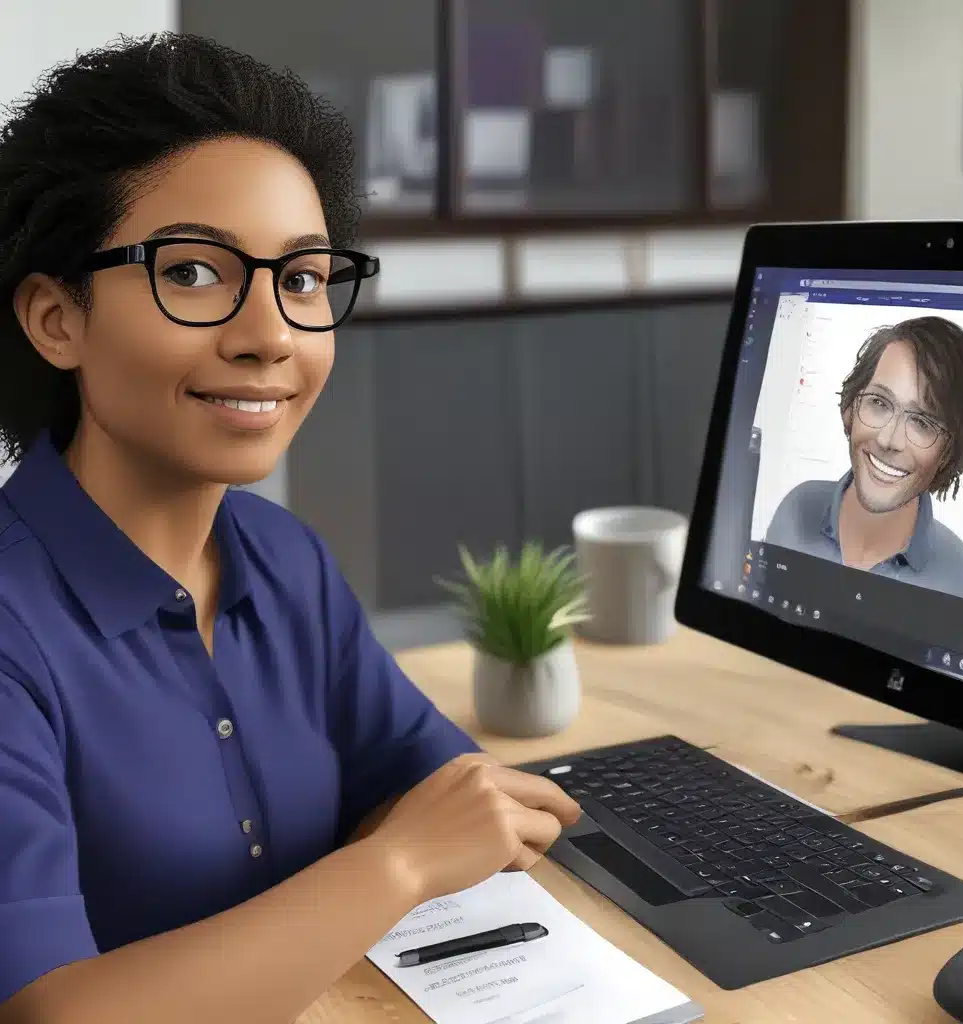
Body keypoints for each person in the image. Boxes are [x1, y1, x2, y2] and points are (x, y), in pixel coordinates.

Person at [0, 33, 580, 1024]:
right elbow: (55, 1009)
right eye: (192, 272)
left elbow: (447, 788)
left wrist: (416, 834)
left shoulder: (283, 557)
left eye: (304, 278)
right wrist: (395, 862)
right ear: (58, 319)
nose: (270, 332)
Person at [765, 315, 963, 604]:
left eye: (923, 422)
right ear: (849, 408)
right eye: (879, 403)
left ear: (948, 453)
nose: (889, 440)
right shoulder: (794, 511)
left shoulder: (959, 583)